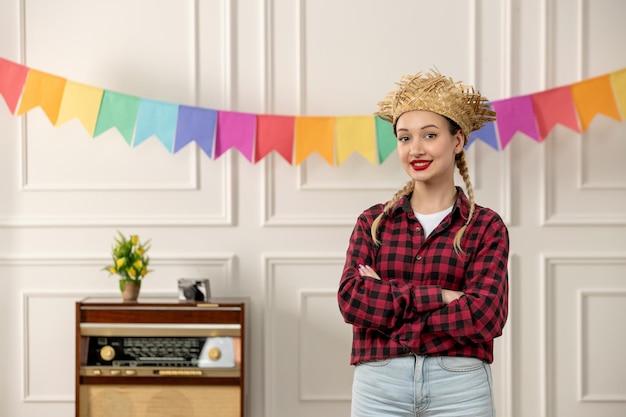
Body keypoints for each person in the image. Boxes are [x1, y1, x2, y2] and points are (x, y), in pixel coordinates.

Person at [337, 69, 509, 417]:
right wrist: (443, 297)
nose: (415, 149)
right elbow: (352, 300)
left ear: (457, 140)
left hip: (460, 386)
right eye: (404, 138)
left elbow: (485, 317)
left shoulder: (486, 226)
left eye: (429, 135)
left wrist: (388, 301)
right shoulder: (373, 223)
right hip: (379, 385)